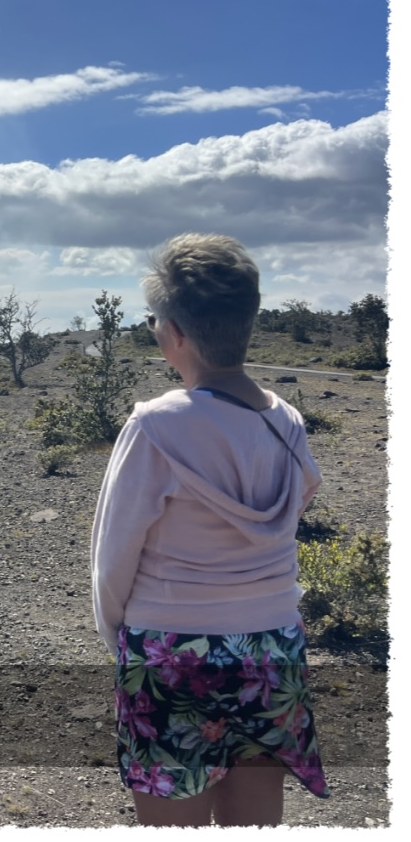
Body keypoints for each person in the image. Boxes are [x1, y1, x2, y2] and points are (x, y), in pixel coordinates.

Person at [90, 233, 328, 827]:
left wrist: (120, 641)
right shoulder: (286, 422)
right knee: (256, 822)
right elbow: (302, 497)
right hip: (272, 644)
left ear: (174, 332)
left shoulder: (155, 426)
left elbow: (114, 559)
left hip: (173, 647)